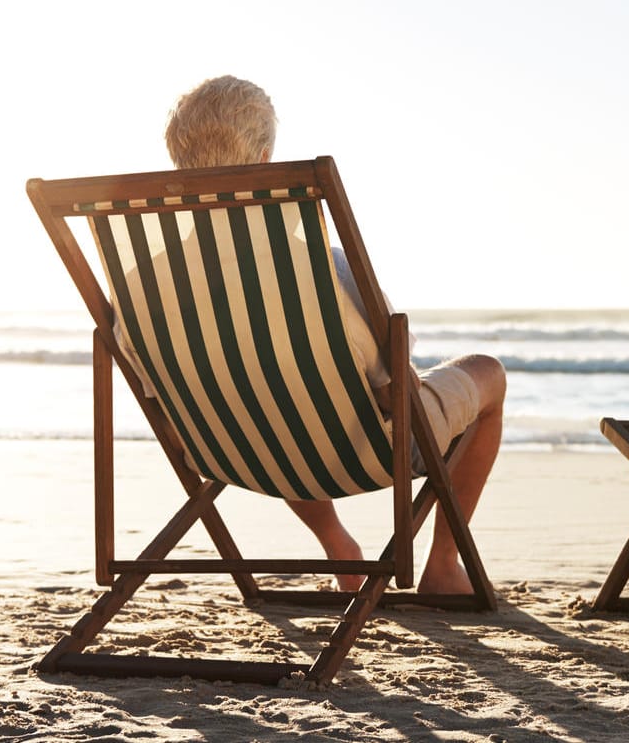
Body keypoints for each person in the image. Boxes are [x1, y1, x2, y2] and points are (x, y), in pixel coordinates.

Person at [161, 75, 509, 596]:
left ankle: (338, 547)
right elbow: (395, 381)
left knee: (269, 402)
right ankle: (441, 565)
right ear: (262, 160)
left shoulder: (146, 282)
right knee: (488, 375)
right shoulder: (324, 272)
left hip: (232, 452)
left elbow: (151, 380)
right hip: (356, 453)